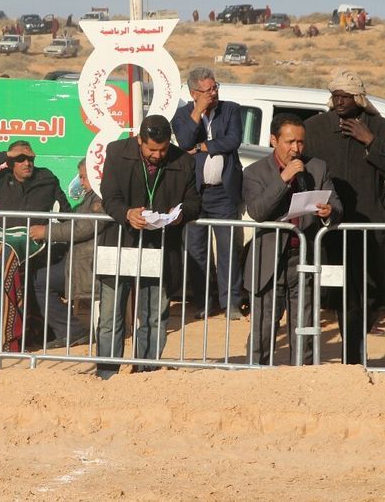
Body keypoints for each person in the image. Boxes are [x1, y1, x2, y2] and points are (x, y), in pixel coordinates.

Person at [304, 70, 385, 364]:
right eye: (335, 96)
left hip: (368, 225)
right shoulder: (315, 128)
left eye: (345, 97)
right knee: (339, 293)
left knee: (373, 293)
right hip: (330, 226)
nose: (339, 102)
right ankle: (351, 357)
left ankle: (355, 345)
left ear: (358, 98)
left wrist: (370, 141)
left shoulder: (381, 128)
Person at [95, 115, 201, 379]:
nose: (157, 155)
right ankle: (107, 373)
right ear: (139, 140)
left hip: (161, 248)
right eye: (152, 149)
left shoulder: (184, 161)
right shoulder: (117, 152)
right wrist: (126, 213)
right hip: (120, 243)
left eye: (163, 150)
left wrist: (181, 214)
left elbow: (194, 202)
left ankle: (145, 372)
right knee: (110, 316)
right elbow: (109, 196)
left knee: (154, 316)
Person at [243, 114, 342, 365]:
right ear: (274, 140)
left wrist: (329, 212)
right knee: (264, 328)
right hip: (269, 260)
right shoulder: (254, 172)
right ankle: (256, 375)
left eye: (300, 142)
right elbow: (257, 211)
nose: (296, 148)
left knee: (303, 326)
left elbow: (336, 205)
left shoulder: (317, 167)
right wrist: (283, 179)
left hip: (303, 258)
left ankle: (302, 375)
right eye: (289, 142)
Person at [0, 141, 88, 349]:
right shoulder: (1, 180)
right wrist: (6, 154)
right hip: (7, 252)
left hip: (38, 251)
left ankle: (38, 332)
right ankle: (7, 334)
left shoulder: (46, 179)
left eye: (30, 159)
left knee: (36, 283)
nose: (27, 163)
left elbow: (65, 215)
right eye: (21, 159)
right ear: (11, 162)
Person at [171, 67, 245, 319]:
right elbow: (184, 142)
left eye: (215, 88)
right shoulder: (182, 115)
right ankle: (204, 302)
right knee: (196, 250)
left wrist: (202, 146)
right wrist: (197, 112)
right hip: (194, 193)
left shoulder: (230, 110)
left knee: (228, 249)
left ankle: (231, 302)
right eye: (207, 90)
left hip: (223, 193)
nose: (213, 93)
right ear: (194, 93)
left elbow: (233, 140)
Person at [29, 159, 109, 311]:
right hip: (80, 258)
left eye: (84, 177)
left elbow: (82, 228)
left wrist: (46, 232)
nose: (81, 182)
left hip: (87, 264)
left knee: (39, 281)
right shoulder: (91, 197)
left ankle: (69, 324)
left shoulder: (101, 198)